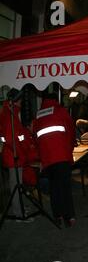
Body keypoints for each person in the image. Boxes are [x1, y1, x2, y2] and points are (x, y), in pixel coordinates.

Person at [32, 93, 76, 227]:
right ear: (56, 100)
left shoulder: (38, 116)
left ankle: (58, 216)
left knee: (55, 187)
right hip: (62, 155)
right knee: (65, 187)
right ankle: (70, 217)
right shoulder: (61, 111)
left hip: (47, 159)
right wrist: (71, 147)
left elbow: (36, 138)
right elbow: (71, 130)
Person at [0, 89, 34, 221]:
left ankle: (19, 208)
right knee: (16, 185)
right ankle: (19, 214)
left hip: (15, 155)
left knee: (18, 184)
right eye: (20, 100)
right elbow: (10, 139)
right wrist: (21, 152)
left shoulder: (11, 113)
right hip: (13, 157)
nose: (21, 102)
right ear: (16, 101)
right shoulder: (10, 115)